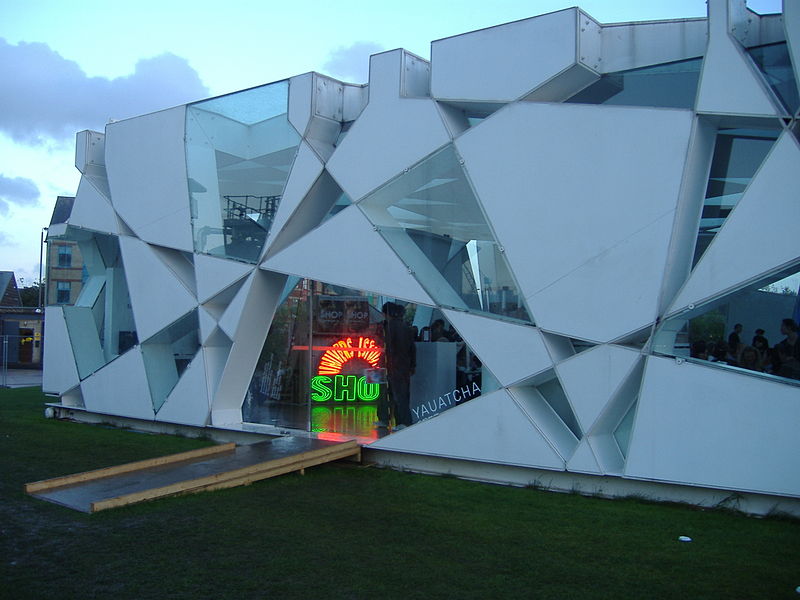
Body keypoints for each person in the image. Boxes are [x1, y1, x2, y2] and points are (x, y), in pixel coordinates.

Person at [381, 302, 416, 430]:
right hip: (403, 365)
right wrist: (412, 365)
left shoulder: (389, 328)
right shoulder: (405, 328)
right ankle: (401, 421)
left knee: (393, 394)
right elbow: (412, 348)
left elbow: (388, 347)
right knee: (400, 394)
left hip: (393, 366)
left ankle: (400, 421)